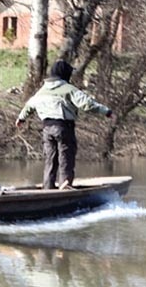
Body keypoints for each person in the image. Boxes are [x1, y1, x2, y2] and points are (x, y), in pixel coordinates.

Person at [15, 60, 114, 190]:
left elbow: (29, 106)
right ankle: (65, 187)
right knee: (66, 159)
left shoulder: (41, 91)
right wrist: (106, 111)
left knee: (50, 161)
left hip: (46, 129)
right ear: (65, 74)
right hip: (63, 127)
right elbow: (87, 104)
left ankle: (48, 189)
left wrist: (21, 118)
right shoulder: (68, 89)